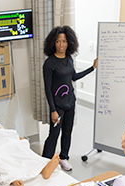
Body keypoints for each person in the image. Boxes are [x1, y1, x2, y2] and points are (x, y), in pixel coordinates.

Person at [41, 25, 97, 171]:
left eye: (64, 41)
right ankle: (44, 162)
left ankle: (64, 158)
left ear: (69, 43)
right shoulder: (49, 63)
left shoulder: (69, 59)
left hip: (70, 103)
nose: (61, 45)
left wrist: (92, 68)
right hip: (57, 106)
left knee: (67, 132)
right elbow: (48, 89)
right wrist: (53, 110)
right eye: (58, 41)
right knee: (53, 135)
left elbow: (73, 77)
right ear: (53, 43)